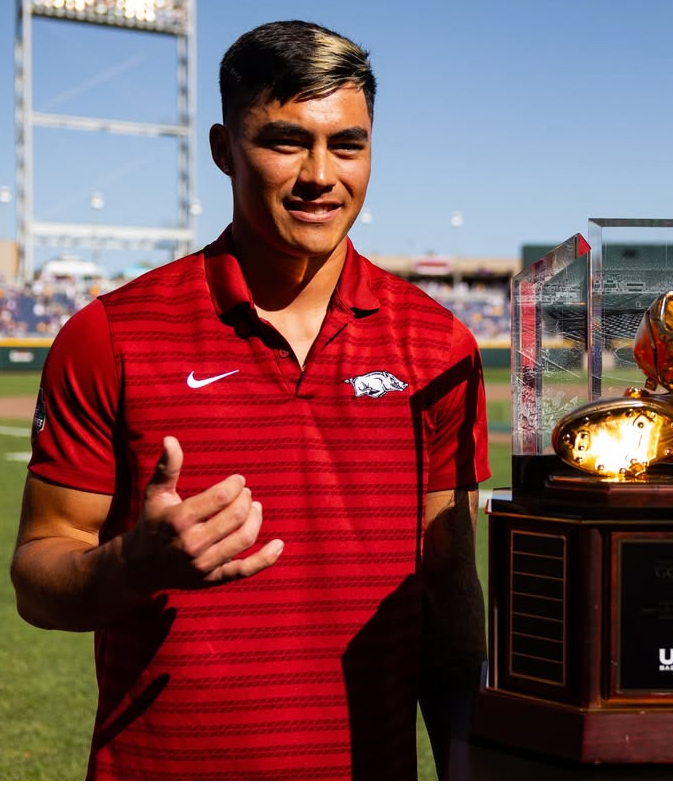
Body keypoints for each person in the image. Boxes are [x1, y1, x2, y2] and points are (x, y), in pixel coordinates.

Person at [10, 20, 490, 781]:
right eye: (286, 140)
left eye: (348, 145)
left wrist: (470, 767)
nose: (320, 175)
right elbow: (38, 577)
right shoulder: (109, 335)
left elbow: (449, 593)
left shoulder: (438, 348)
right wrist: (136, 565)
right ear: (223, 149)